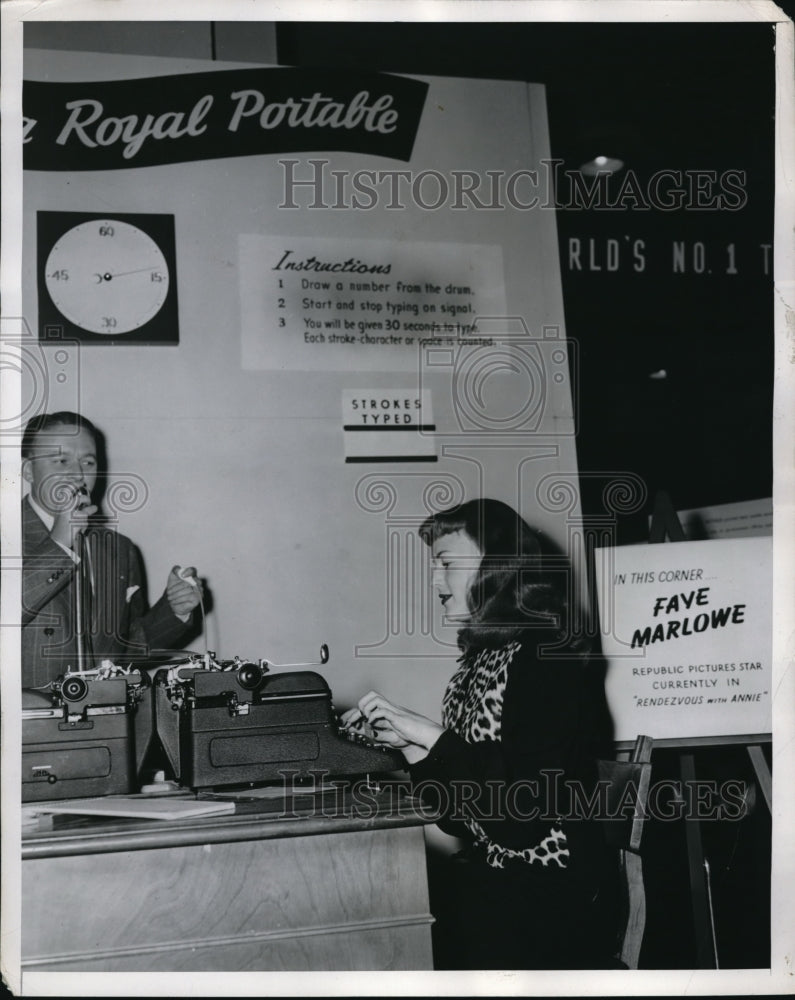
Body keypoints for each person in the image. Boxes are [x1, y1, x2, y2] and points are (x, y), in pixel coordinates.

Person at [341, 498, 616, 970]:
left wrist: (435, 736)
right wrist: (412, 748)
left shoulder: (546, 654)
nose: (434, 581)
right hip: (506, 883)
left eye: (445, 563)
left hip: (553, 892)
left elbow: (522, 817)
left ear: (496, 567)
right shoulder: (480, 662)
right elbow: (457, 819)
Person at [21, 411, 203, 689]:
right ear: (28, 471)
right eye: (61, 461)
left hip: (107, 720)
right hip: (29, 724)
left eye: (88, 462)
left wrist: (175, 610)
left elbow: (127, 650)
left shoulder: (119, 549)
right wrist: (58, 543)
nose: (78, 474)